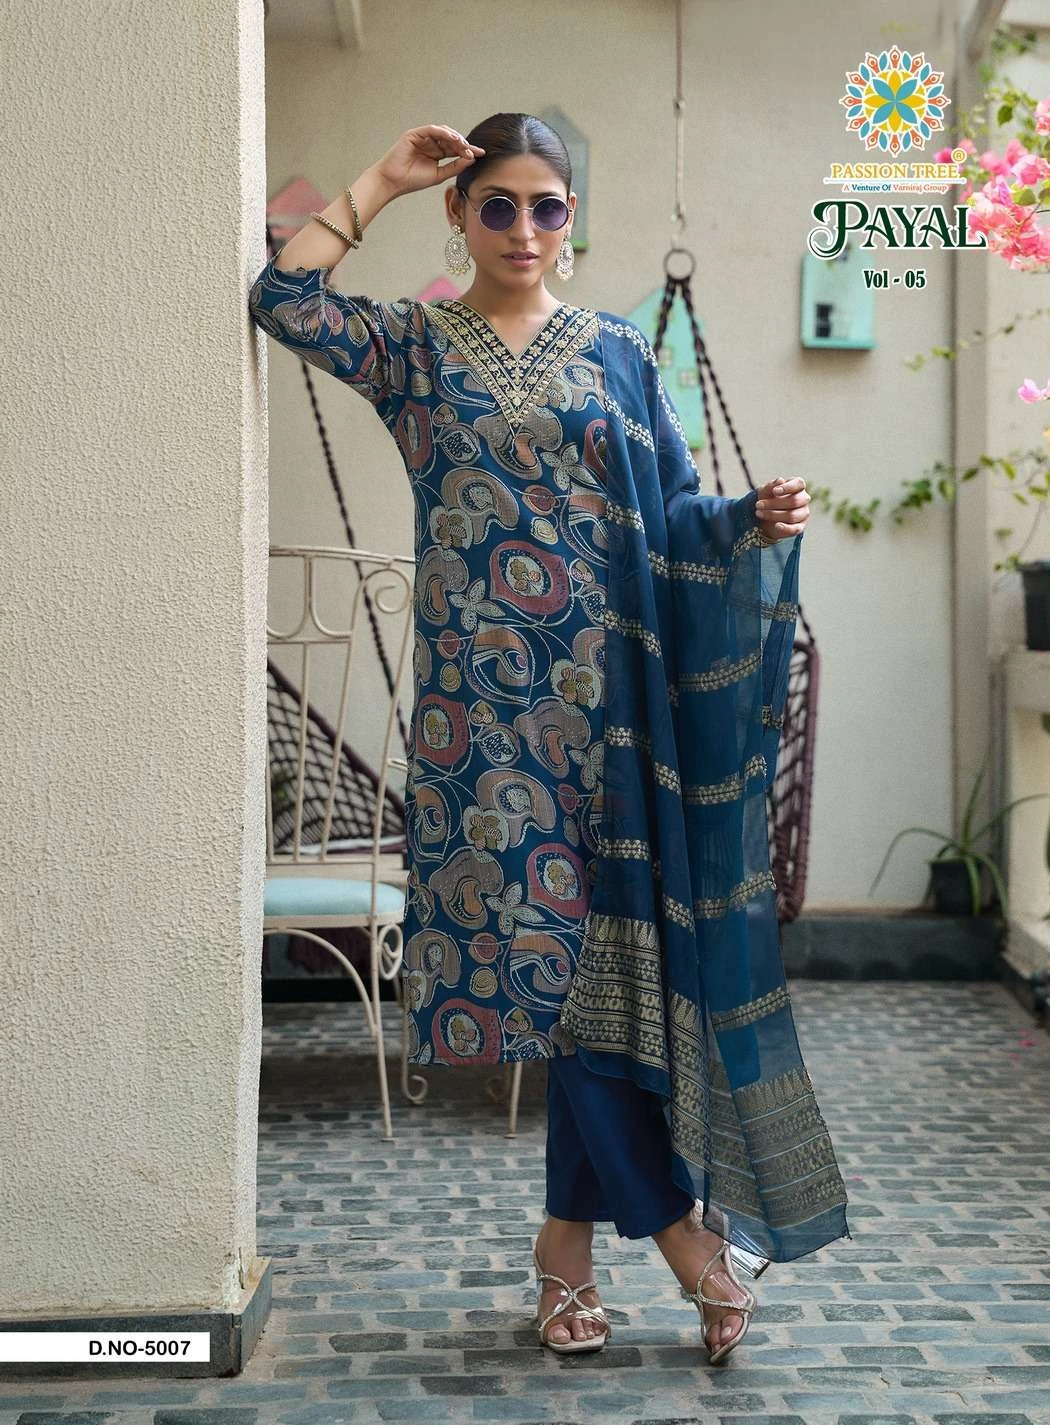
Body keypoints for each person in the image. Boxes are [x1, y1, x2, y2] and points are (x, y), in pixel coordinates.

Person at [248, 113, 848, 1364]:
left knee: (597, 982)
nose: (525, 229)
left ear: (573, 219)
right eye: (498, 204)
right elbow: (285, 300)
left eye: (548, 206)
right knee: (554, 977)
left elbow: (672, 510)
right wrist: (383, 177)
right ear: (460, 215)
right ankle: (685, 1242)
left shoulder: (619, 351)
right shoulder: (416, 348)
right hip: (481, 727)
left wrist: (747, 518)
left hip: (616, 713)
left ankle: (563, 1259)